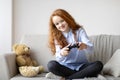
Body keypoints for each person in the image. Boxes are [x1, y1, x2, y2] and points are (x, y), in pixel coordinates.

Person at [47, 9, 103, 80]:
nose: (60, 25)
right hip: (66, 67)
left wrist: (84, 46)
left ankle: (68, 78)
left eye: (62, 21)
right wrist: (62, 53)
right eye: (57, 24)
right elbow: (58, 58)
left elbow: (91, 49)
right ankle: (80, 75)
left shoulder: (79, 31)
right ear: (55, 26)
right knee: (51, 65)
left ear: (67, 19)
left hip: (82, 66)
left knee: (98, 65)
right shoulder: (56, 36)